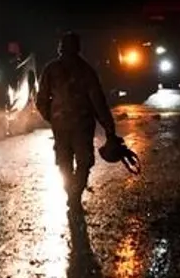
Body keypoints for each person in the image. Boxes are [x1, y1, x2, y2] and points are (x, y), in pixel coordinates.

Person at [36, 31, 120, 208]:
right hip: (82, 124)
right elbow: (98, 102)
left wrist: (52, 117)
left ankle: (71, 192)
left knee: (64, 161)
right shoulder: (86, 70)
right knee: (84, 161)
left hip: (61, 124)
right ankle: (75, 194)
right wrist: (109, 128)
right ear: (78, 48)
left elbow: (41, 100)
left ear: (60, 48)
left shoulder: (51, 69)